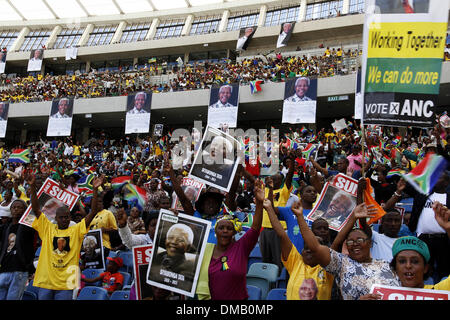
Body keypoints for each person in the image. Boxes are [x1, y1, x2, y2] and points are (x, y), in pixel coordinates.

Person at [294, 201, 401, 299]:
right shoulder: (341, 263)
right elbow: (315, 247)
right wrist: (299, 216)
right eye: (350, 242)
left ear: (369, 243)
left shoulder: (387, 265)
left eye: (359, 240)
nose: (355, 244)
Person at [29, 174, 104, 300]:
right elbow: (36, 209)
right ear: (56, 218)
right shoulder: (47, 228)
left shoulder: (76, 230)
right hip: (47, 281)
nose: (64, 219)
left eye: (67, 217)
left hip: (67, 282)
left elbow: (93, 212)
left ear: (70, 218)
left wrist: (95, 190)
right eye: (61, 217)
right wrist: (32, 187)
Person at [384, 171, 450, 280]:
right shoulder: (423, 194)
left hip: (444, 240)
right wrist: (403, 181)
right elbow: (407, 186)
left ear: (446, 182)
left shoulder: (448, 197)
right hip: (423, 239)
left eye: (439, 177)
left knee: (444, 271)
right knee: (423, 270)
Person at [206, 179, 263, 300]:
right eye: (221, 228)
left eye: (229, 228)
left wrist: (259, 202)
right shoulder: (206, 252)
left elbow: (256, 227)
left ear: (234, 232)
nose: (225, 231)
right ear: (215, 231)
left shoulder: (242, 247)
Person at [0, 199, 37, 300]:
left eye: (19, 207)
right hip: (4, 269)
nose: (16, 209)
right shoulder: (5, 227)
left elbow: (36, 211)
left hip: (19, 270)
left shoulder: (28, 226)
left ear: (25, 210)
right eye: (14, 207)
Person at [148, 222, 196, 292]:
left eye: (180, 240)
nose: (173, 242)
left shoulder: (190, 269)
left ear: (188, 247)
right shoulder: (155, 259)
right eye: (170, 238)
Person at [88, 189, 118, 259]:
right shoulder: (89, 215)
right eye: (96, 202)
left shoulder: (108, 213)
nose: (98, 203)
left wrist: (105, 229)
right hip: (92, 248)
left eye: (100, 202)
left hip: (105, 246)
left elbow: (115, 229)